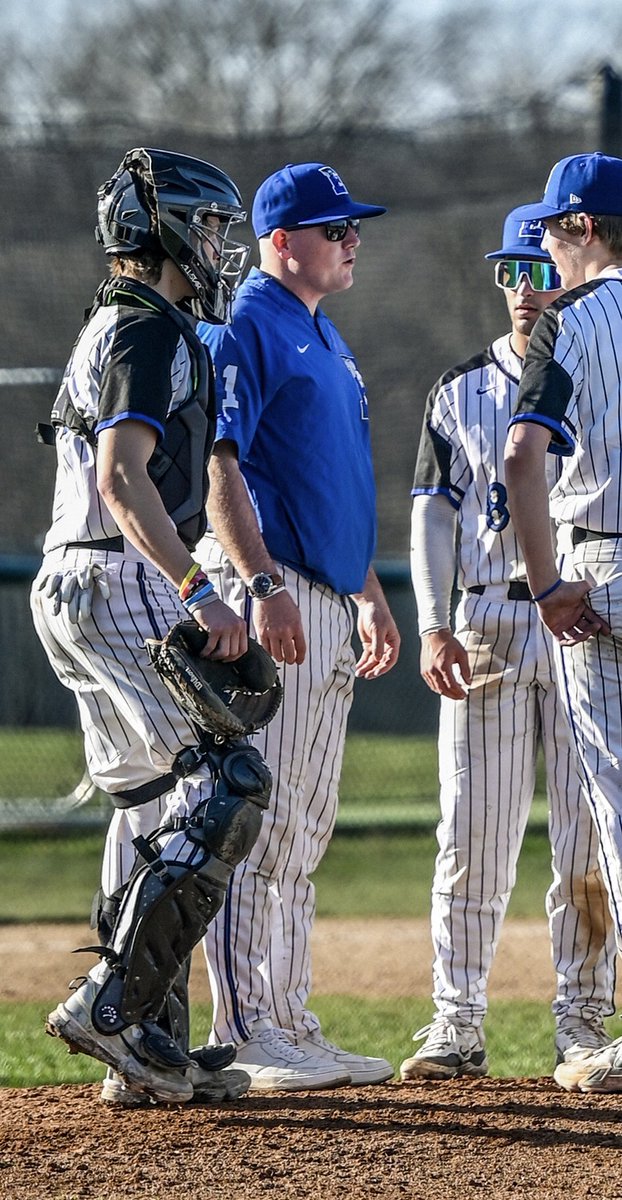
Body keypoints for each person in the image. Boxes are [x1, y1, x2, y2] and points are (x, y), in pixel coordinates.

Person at [30, 146, 273, 1107]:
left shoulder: (127, 323)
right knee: (230, 780)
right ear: (164, 227)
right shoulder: (147, 330)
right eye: (209, 226)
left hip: (77, 578)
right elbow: (122, 477)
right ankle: (115, 1006)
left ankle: (148, 1045)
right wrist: (196, 586)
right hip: (118, 571)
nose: (220, 245)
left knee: (143, 801)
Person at [194, 161, 401, 1091]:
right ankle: (244, 1029)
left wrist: (369, 591)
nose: (352, 239)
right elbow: (220, 467)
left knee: (305, 830)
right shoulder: (251, 325)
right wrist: (262, 581)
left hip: (326, 592)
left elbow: (337, 482)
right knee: (257, 822)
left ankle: (291, 1019)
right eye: (335, 228)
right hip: (273, 594)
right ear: (283, 241)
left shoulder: (327, 333)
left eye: (354, 227)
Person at [400, 205, 616, 1084]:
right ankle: (455, 1023)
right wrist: (431, 621)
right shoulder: (462, 387)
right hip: (490, 616)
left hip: (581, 612)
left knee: (588, 840)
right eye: (509, 272)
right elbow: (430, 515)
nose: (525, 289)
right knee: (472, 835)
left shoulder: (588, 360)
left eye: (539, 266)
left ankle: (584, 1020)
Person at [503, 151, 622, 1095]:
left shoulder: (569, 322)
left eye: (550, 228)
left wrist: (545, 587)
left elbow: (520, 457)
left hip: (603, 562)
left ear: (584, 227)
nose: (543, 244)